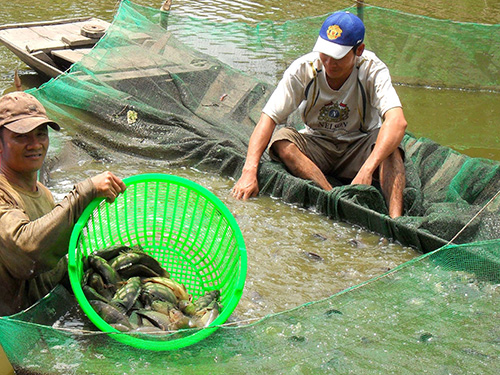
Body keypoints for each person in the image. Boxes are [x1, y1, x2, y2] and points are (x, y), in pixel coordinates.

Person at [231, 11, 407, 218]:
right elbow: (268, 118)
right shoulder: (303, 69)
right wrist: (249, 171)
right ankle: (332, 196)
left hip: (358, 147)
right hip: (317, 144)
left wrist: (367, 170)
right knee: (281, 141)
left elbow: (398, 121)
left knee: (391, 149)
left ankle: (396, 221)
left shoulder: (373, 69)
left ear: (359, 50)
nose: (329, 63)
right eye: (325, 53)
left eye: (338, 57)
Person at [0, 91, 127, 316]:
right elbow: (26, 253)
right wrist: (85, 192)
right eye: (21, 137)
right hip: (10, 329)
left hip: (40, 317)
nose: (35, 144)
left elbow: (52, 264)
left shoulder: (44, 194)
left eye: (41, 134)